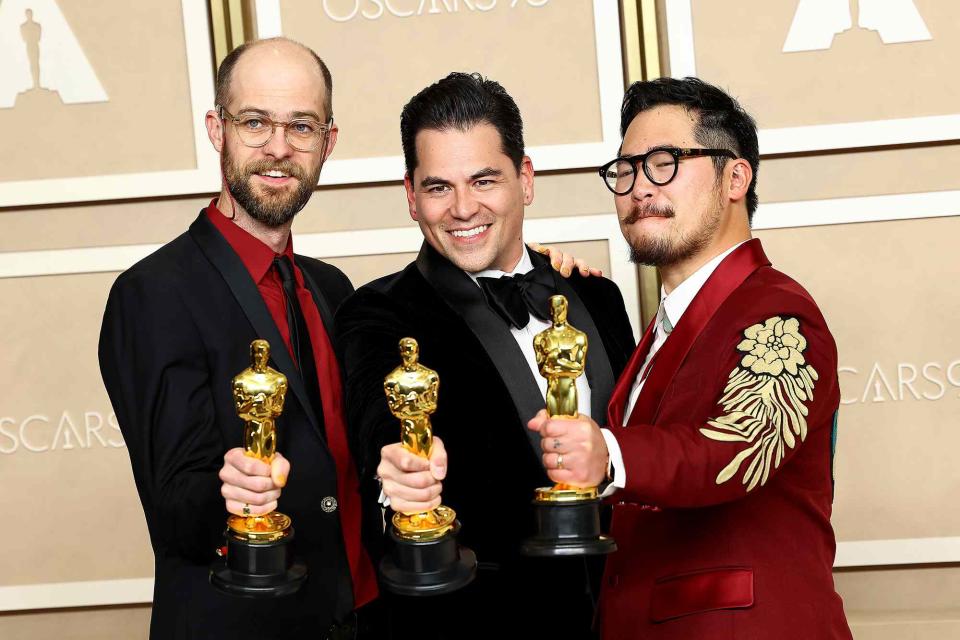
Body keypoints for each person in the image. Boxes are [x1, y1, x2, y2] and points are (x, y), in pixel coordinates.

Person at [527, 77, 852, 639]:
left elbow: (735, 447)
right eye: (625, 169)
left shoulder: (779, 314)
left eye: (665, 161)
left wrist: (608, 451)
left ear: (735, 176)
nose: (638, 187)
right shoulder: (665, 325)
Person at [334, 72, 636, 639]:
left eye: (484, 180)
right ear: (410, 196)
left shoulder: (597, 296)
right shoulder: (376, 314)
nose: (463, 208)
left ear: (525, 179)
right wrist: (401, 470)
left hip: (622, 618)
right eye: (438, 187)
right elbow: (379, 420)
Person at [98, 37, 378, 639]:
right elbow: (175, 511)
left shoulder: (333, 289)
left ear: (328, 142)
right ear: (216, 128)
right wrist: (234, 492)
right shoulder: (153, 294)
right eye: (255, 122)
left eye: (301, 126)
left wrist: (530, 273)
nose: (279, 148)